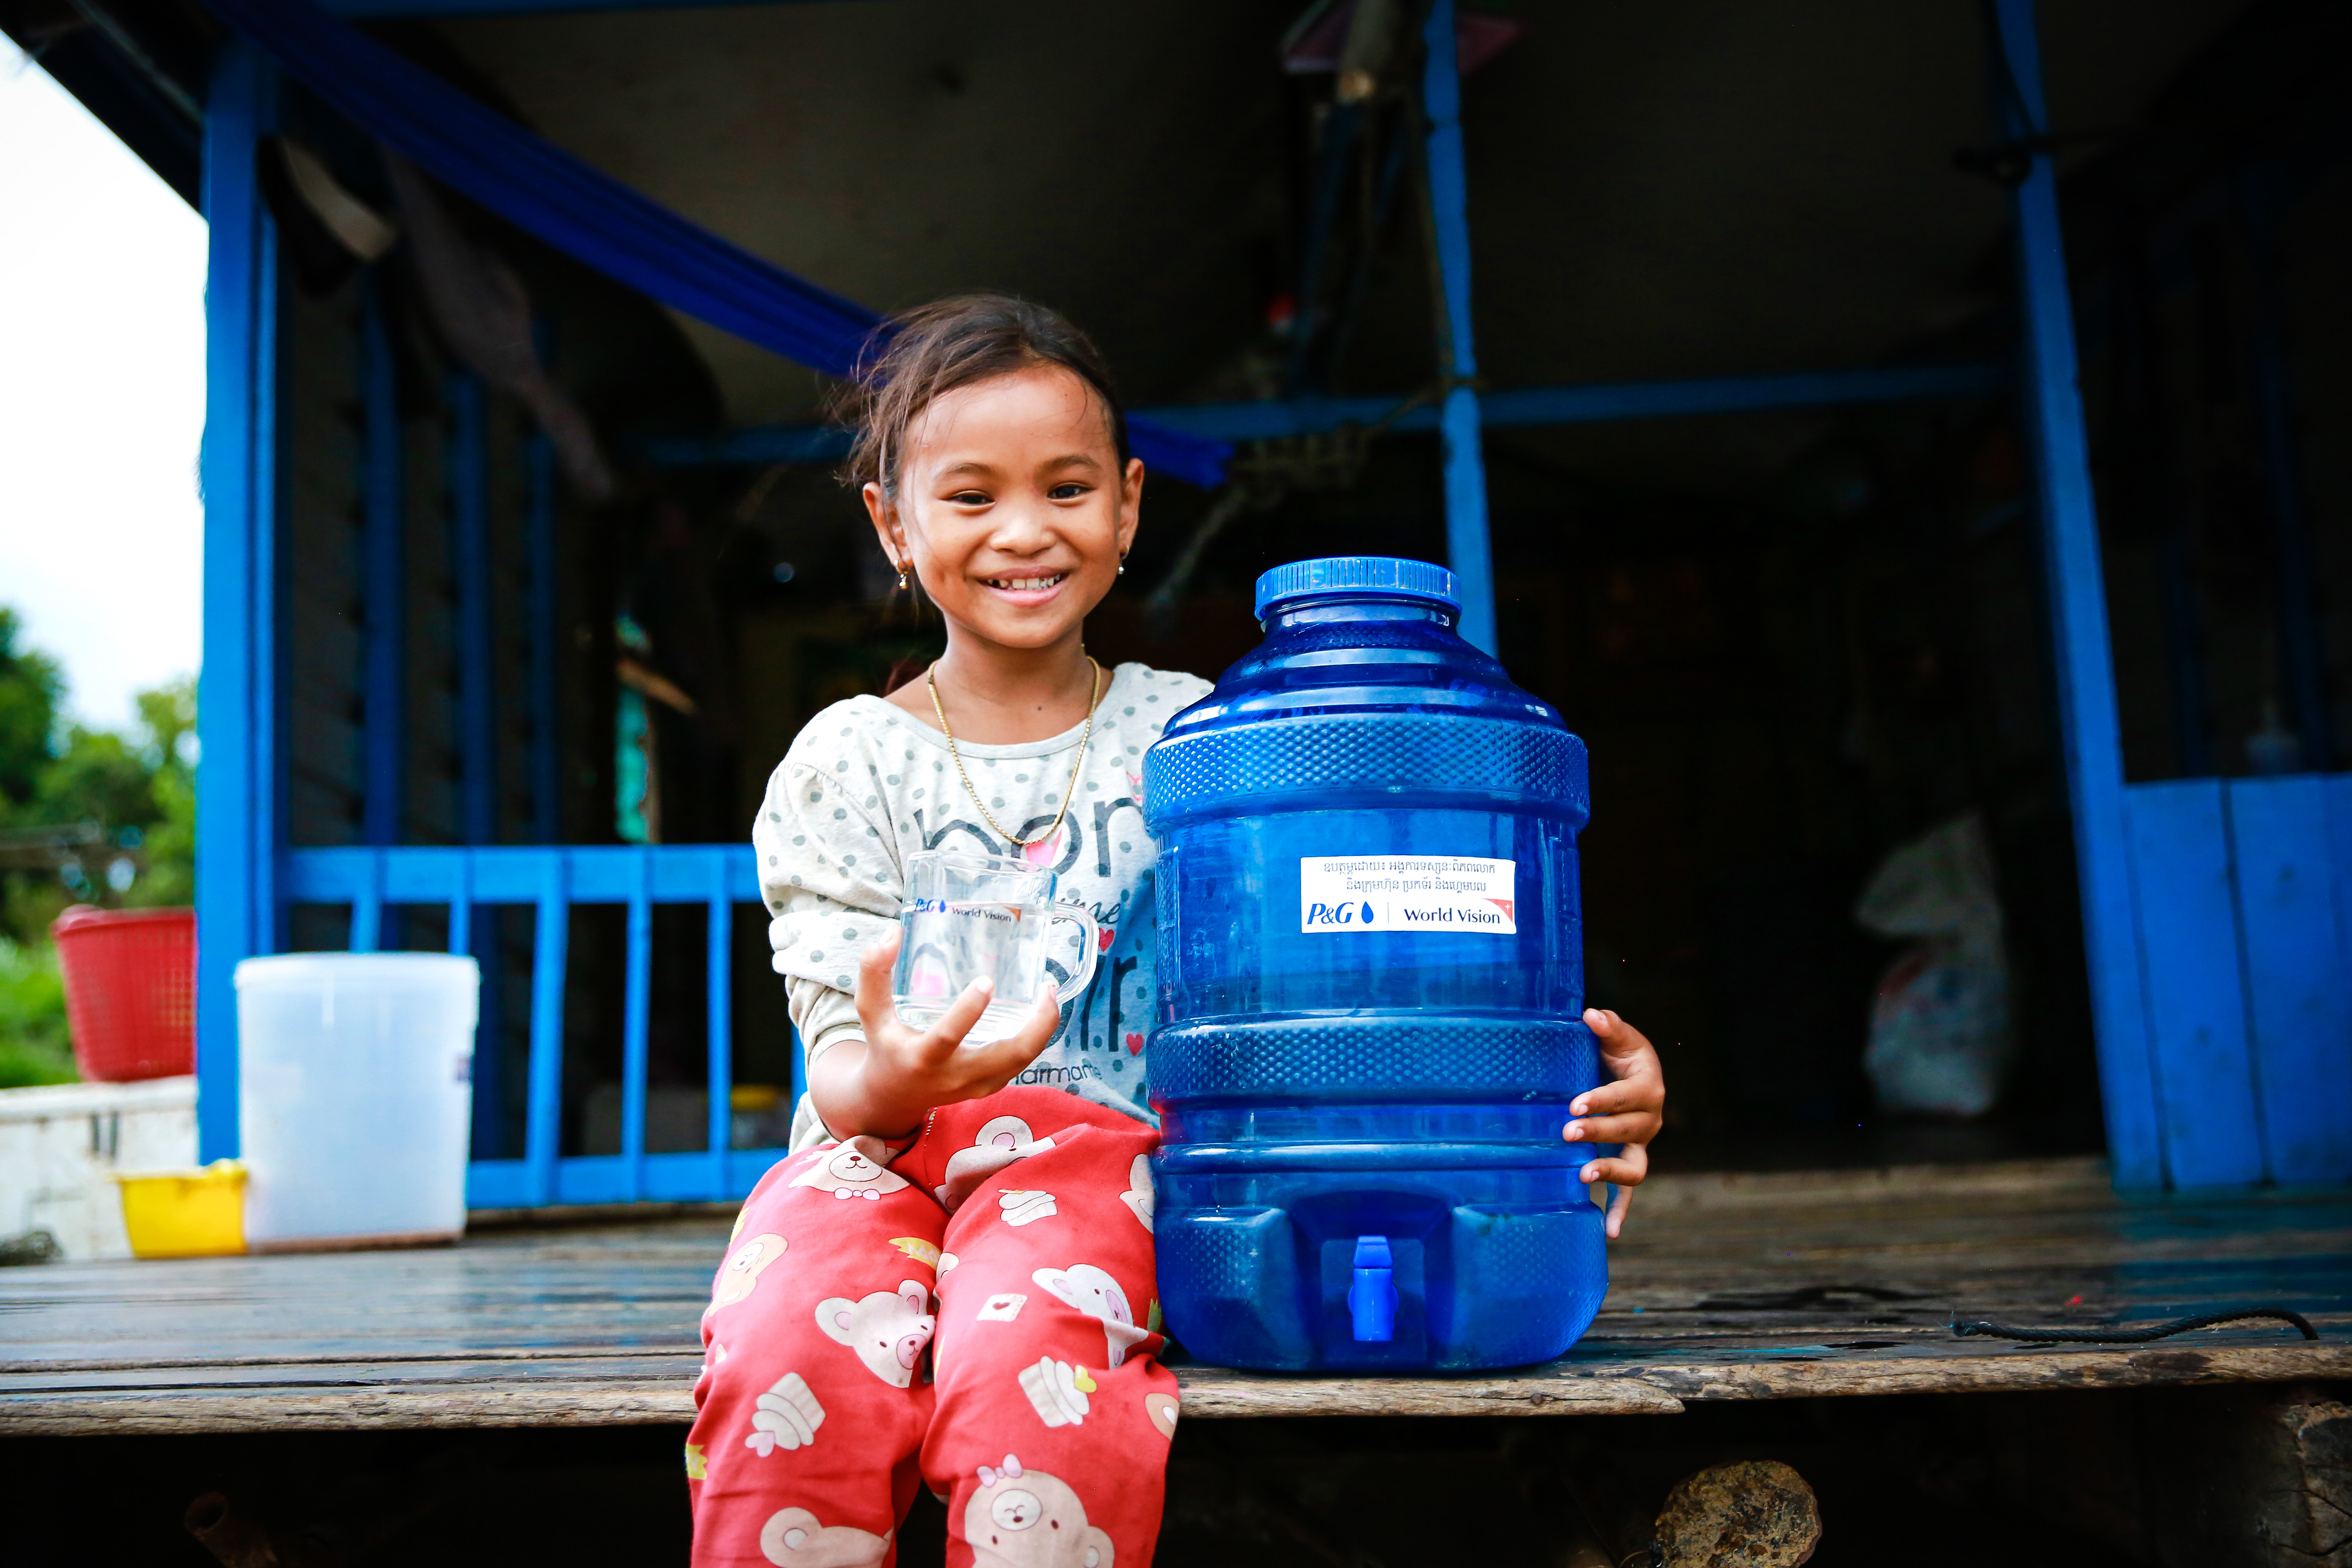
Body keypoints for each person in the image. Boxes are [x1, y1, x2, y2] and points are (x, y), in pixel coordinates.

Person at [685, 294, 1666, 1568]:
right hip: (871, 1156)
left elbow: (1369, 973)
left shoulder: (1214, 744)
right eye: (971, 496)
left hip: (1105, 1162)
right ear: (891, 520)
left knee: (1029, 1360)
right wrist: (898, 1078)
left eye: (1069, 488)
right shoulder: (843, 764)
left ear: (1131, 504)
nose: (1025, 532)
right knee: (784, 1346)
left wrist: (1541, 1106)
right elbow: (834, 1050)